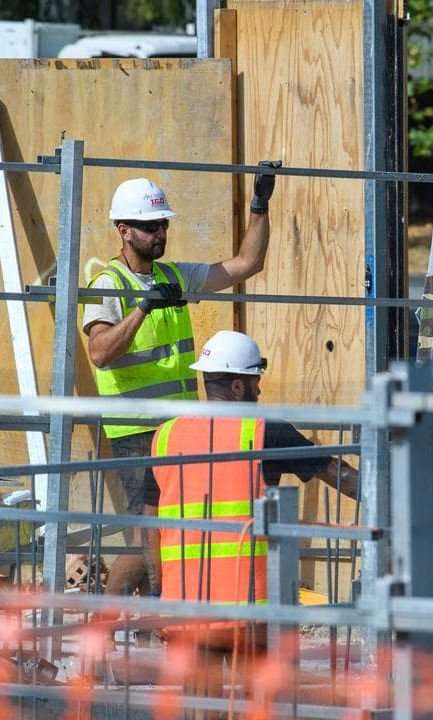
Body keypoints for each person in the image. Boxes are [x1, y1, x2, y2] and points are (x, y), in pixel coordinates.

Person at [84, 167, 280, 597]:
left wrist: (259, 206)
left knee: (168, 527)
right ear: (124, 230)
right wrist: (141, 309)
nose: (160, 233)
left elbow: (246, 264)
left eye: (163, 225)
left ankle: (158, 613)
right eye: (150, 226)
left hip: (178, 428)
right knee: (146, 532)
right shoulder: (107, 285)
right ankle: (101, 624)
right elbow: (99, 353)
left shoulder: (172, 277)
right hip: (135, 428)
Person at [150, 331, 358, 712]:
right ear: (236, 386)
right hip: (250, 609)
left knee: (201, 707)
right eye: (255, 384)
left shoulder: (166, 436)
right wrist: (391, 494)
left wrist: (156, 597)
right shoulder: (264, 430)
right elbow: (336, 473)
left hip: (185, 609)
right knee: (259, 706)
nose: (259, 394)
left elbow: (149, 524)